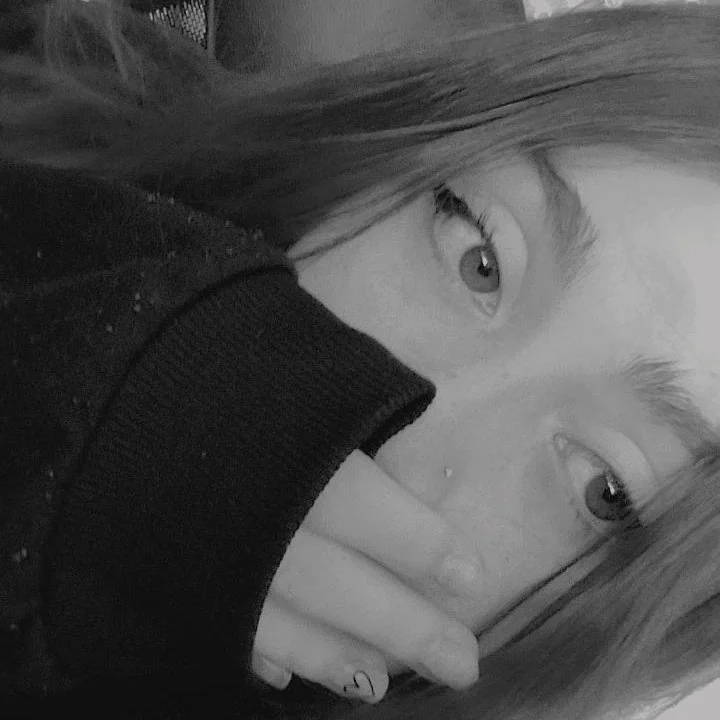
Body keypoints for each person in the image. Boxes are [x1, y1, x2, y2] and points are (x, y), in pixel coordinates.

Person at [3, 2, 720, 720]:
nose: (418, 430)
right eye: (479, 262)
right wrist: (78, 390)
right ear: (397, 147)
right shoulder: (69, 67)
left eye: (605, 489)